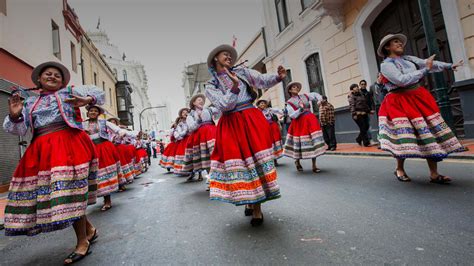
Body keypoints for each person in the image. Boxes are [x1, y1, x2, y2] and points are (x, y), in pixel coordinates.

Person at [3, 61, 104, 264]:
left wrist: (86, 99)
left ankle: (82, 241)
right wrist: (14, 116)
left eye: (57, 75)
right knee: (60, 195)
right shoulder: (30, 103)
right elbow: (19, 130)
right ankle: (90, 229)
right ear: (39, 80)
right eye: (47, 74)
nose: (52, 77)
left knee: (68, 192)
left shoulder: (70, 92)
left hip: (68, 145)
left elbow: (98, 92)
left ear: (62, 81)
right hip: (41, 150)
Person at [205, 44, 286, 226]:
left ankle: (257, 209)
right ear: (215, 59)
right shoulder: (211, 85)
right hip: (231, 124)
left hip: (251, 119)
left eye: (230, 54)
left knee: (255, 162)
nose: (228, 56)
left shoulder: (242, 73)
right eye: (224, 54)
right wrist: (234, 87)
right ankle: (250, 200)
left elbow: (261, 80)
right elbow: (225, 106)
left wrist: (278, 77)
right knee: (242, 164)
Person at [377, 33, 465, 183]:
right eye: (396, 42)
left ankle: (434, 174)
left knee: (428, 133)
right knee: (404, 136)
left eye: (400, 42)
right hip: (399, 102)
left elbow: (428, 63)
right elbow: (401, 80)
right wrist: (424, 71)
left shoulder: (409, 59)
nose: (400, 44)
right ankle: (399, 168)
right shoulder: (386, 65)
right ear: (387, 47)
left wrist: (449, 66)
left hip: (418, 98)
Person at [84, 105, 125, 211]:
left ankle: (107, 200)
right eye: (91, 111)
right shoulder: (83, 124)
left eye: (95, 111)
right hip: (90, 150)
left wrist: (121, 133)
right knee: (93, 175)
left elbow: (116, 129)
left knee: (104, 173)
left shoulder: (103, 122)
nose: (93, 112)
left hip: (103, 148)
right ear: (87, 113)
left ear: (98, 113)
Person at [283, 81, 325, 173]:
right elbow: (292, 115)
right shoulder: (289, 103)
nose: (296, 88)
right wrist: (300, 109)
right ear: (290, 90)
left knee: (313, 141)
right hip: (299, 123)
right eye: (294, 87)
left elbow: (315, 94)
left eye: (297, 87)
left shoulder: (305, 96)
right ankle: (297, 161)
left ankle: (314, 166)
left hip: (310, 120)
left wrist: (319, 99)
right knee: (299, 144)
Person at [184, 94, 219, 182]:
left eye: (202, 100)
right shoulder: (191, 115)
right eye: (199, 99)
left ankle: (217, 178)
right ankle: (211, 180)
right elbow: (191, 128)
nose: (201, 101)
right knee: (207, 159)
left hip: (213, 132)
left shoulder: (210, 109)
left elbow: (221, 109)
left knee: (217, 155)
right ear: (194, 103)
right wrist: (198, 120)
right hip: (201, 137)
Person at [108, 118, 136, 187]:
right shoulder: (107, 131)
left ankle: (123, 181)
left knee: (121, 164)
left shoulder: (119, 130)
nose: (112, 123)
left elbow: (129, 136)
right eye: (111, 122)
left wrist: (122, 134)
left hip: (118, 149)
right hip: (110, 149)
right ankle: (114, 182)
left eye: (114, 122)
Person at [256, 99, 284, 165]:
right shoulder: (257, 112)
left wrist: (283, 113)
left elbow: (277, 112)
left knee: (275, 142)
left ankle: (275, 160)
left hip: (273, 128)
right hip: (265, 129)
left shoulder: (269, 110)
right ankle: (270, 159)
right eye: (261, 103)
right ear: (258, 105)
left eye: (263, 103)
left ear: (266, 104)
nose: (262, 104)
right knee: (268, 143)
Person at [173, 109, 192, 178]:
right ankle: (190, 172)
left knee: (194, 156)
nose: (185, 113)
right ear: (181, 115)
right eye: (183, 112)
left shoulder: (192, 120)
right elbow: (180, 134)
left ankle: (198, 174)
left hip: (192, 139)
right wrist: (185, 130)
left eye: (186, 112)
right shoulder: (180, 124)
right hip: (185, 141)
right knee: (186, 156)